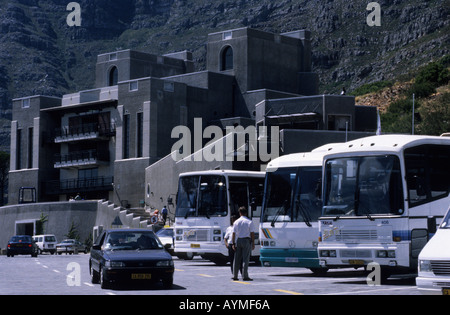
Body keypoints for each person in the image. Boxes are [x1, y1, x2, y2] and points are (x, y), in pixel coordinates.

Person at [231, 207, 255, 281]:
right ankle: (245, 276)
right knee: (245, 259)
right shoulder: (249, 222)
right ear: (246, 213)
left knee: (237, 259)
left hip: (239, 240)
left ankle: (235, 275)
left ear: (240, 213)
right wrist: (253, 243)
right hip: (246, 240)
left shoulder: (236, 222)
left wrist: (233, 243)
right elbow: (252, 233)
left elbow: (233, 234)